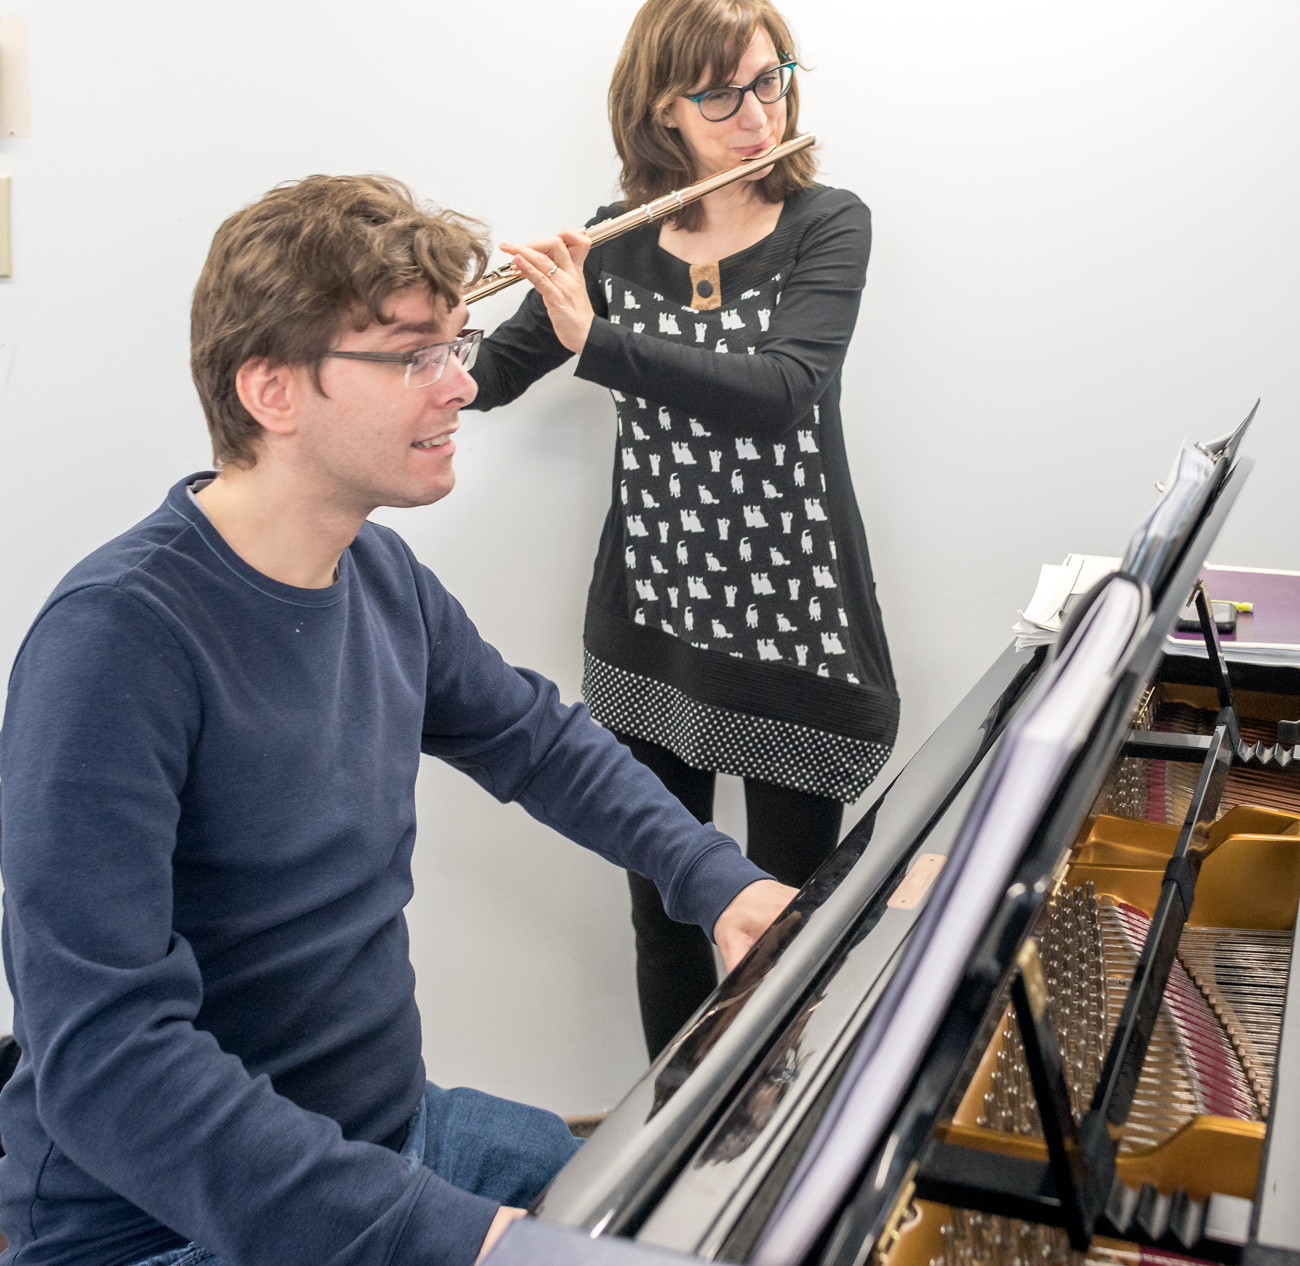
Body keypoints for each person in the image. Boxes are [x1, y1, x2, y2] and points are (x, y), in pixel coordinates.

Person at [0, 174, 797, 1266]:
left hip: (385, 1133)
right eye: (415, 354)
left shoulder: (376, 573)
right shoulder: (114, 644)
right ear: (272, 390)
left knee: (701, 1218)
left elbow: (538, 740)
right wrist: (456, 1239)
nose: (460, 385)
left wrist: (721, 880)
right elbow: (110, 1063)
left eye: (457, 345)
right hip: (164, 1221)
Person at [467, 0, 899, 1059]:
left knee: (785, 937)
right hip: (652, 628)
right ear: (662, 109)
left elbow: (781, 390)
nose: (757, 113)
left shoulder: (827, 222)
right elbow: (486, 380)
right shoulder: (612, 244)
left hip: (790, 634)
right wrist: (422, 317)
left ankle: (777, 1171)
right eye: (722, 94)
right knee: (666, 920)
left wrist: (598, 339)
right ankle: (672, 1164)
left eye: (772, 80)